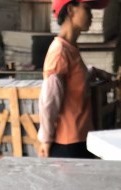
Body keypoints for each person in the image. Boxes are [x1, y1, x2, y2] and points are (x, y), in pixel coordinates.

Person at [37, 0, 110, 159]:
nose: (91, 15)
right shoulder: (59, 52)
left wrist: (93, 72)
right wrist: (46, 140)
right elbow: (49, 102)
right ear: (71, 10)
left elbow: (73, 80)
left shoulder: (71, 48)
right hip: (68, 146)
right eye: (87, 9)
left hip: (81, 139)